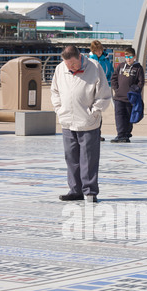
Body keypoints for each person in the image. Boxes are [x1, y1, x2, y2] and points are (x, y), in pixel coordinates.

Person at [51, 45, 111, 203]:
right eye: (67, 64)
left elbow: (104, 94)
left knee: (89, 158)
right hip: (67, 121)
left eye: (73, 64)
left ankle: (90, 191)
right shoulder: (59, 69)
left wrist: (95, 112)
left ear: (80, 57)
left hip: (88, 121)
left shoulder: (94, 67)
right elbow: (55, 91)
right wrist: (59, 109)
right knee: (71, 157)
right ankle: (75, 190)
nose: (70, 67)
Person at [111, 47, 145, 143]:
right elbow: (114, 78)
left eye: (130, 57)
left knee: (129, 116)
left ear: (134, 57)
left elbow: (141, 82)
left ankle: (126, 133)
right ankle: (120, 134)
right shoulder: (121, 66)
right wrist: (116, 88)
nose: (128, 59)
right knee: (119, 116)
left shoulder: (138, 68)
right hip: (118, 97)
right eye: (126, 57)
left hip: (130, 98)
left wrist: (134, 91)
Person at [89, 40, 113, 141]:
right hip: (91, 88)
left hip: (103, 87)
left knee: (99, 111)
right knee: (92, 111)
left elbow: (110, 71)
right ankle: (92, 134)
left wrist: (109, 83)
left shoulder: (106, 60)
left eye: (100, 50)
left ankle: (97, 133)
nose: (99, 52)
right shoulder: (89, 60)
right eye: (97, 50)